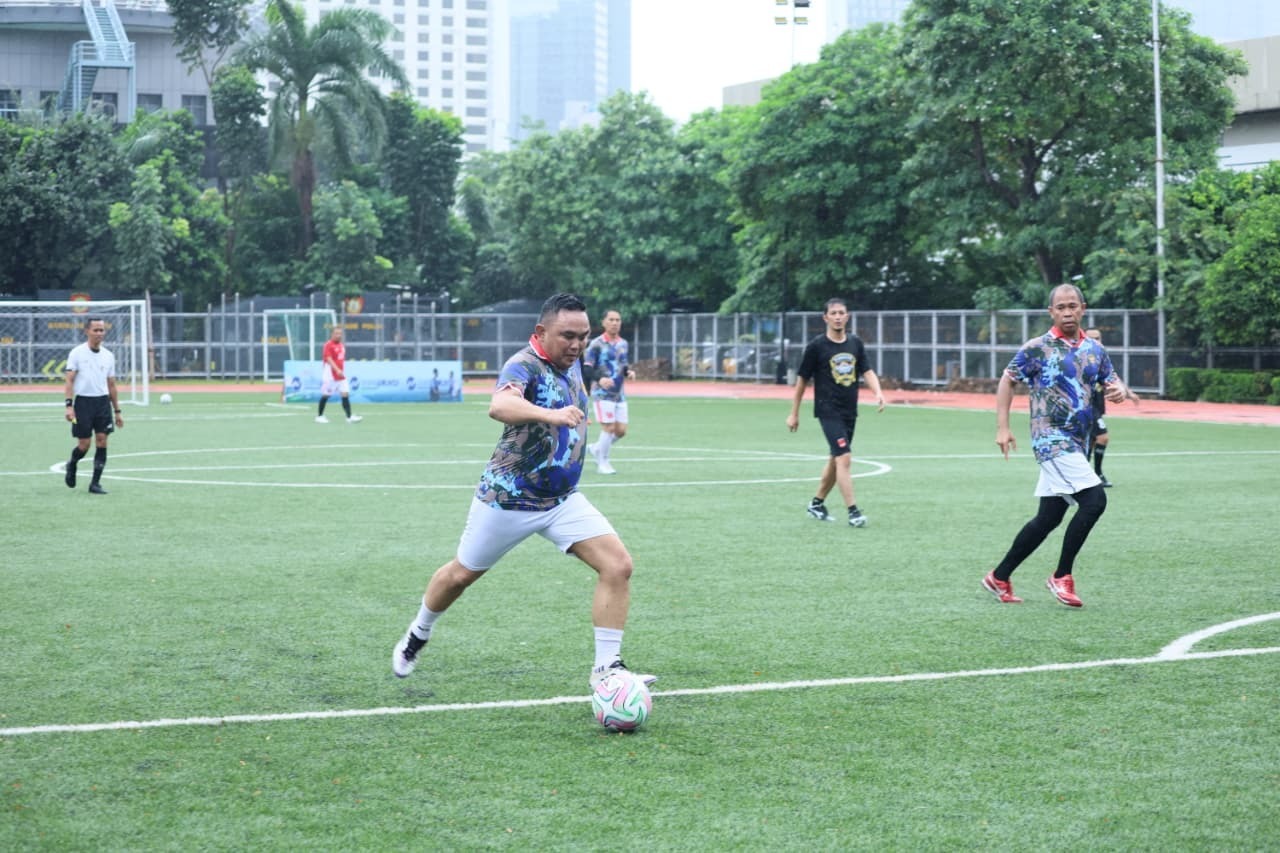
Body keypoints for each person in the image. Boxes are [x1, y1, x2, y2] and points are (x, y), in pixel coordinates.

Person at [391, 293, 654, 690]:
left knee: (618, 566)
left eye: (583, 336)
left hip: (562, 500)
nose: (577, 344)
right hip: (508, 499)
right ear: (541, 331)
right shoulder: (523, 364)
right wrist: (551, 415)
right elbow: (500, 405)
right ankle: (418, 633)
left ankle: (607, 669)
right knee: (460, 575)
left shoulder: (574, 360)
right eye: (567, 336)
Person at [984, 284, 1138, 608]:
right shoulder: (1037, 348)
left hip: (1078, 442)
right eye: (1061, 307)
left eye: (1073, 306)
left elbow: (1112, 380)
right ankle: (1061, 575)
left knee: (1049, 518)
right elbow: (1008, 379)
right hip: (1050, 440)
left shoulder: (1095, 349)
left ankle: (999, 576)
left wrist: (1119, 390)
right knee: (1094, 501)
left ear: (1083, 308)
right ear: (1051, 312)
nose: (1067, 312)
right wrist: (1003, 428)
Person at [786, 297, 886, 527]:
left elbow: (867, 371)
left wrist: (878, 392)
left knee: (836, 459)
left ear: (847, 317)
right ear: (826, 318)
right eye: (834, 313)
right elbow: (802, 380)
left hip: (849, 410)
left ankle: (816, 503)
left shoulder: (855, 343)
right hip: (827, 409)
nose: (838, 317)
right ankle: (853, 512)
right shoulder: (816, 346)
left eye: (842, 313)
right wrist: (794, 413)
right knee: (844, 457)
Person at [63, 317, 123, 495]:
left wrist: (117, 411)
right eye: (95, 330)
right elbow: (69, 380)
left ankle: (95, 483)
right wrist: (69, 406)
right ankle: (72, 463)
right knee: (84, 444)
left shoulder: (108, 356)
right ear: (87, 331)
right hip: (82, 403)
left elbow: (111, 385)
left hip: (102, 403)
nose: (99, 333)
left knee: (102, 440)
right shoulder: (77, 353)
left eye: (101, 330)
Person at [583, 309, 635, 475]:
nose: (614, 323)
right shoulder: (596, 344)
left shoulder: (623, 343)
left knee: (621, 431)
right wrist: (599, 379)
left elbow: (622, 365)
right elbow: (587, 368)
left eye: (617, 320)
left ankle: (596, 448)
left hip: (619, 394)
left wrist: (628, 372)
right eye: (611, 319)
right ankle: (603, 462)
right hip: (602, 393)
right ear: (604, 322)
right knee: (609, 427)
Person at [1085, 328, 1113, 487]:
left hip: (1097, 405)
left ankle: (1085, 475)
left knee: (1091, 441)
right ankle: (1097, 474)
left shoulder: (1101, 357)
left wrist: (1125, 391)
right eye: (1092, 338)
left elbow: (1111, 377)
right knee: (1103, 437)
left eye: (1098, 338)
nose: (1096, 341)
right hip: (1087, 407)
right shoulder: (1081, 358)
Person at [316, 325, 361, 423]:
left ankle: (349, 417)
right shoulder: (328, 345)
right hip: (330, 375)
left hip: (340, 375)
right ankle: (319, 416)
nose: (338, 335)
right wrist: (337, 370)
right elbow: (328, 359)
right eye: (336, 333)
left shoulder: (341, 346)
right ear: (332, 334)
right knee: (326, 395)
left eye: (340, 334)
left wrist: (340, 371)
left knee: (345, 393)